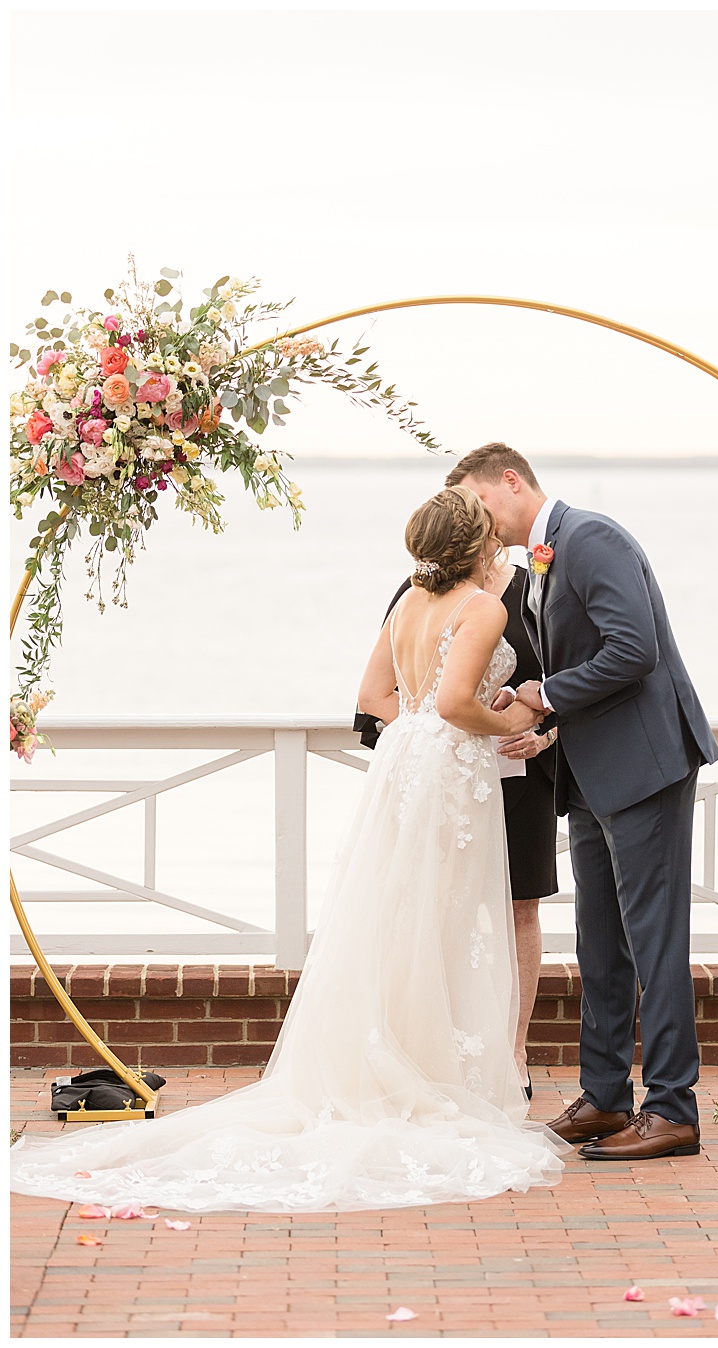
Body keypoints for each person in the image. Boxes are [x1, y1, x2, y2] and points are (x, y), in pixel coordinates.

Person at [11, 487, 566, 1211]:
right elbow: (462, 703)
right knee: (453, 921)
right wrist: (510, 719)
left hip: (403, 763)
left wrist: (422, 726)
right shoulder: (483, 607)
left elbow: (375, 696)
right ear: (478, 544)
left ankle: (401, 1058)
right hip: (452, 774)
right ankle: (437, 1073)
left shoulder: (406, 605)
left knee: (398, 917)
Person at [456, 444, 718, 1162]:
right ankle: (605, 1098)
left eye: (480, 505)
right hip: (591, 771)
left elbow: (633, 649)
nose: (477, 524)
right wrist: (539, 716)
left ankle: (673, 1109)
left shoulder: (591, 537)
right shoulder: (544, 558)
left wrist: (549, 693)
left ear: (511, 482)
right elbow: (583, 656)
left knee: (653, 942)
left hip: (645, 766)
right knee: (598, 942)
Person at [353, 543, 561, 1102]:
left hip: (521, 777)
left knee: (522, 905)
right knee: (429, 905)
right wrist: (444, 736)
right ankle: (425, 1047)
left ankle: (512, 1051)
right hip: (446, 783)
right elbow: (384, 696)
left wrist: (545, 733)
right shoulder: (416, 595)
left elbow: (564, 680)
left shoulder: (533, 590)